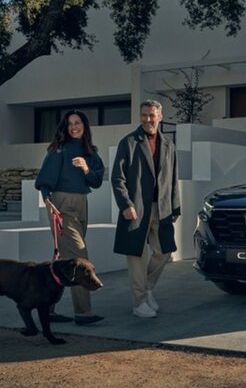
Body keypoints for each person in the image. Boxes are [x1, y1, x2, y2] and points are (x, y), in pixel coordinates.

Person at [34, 109, 105, 325]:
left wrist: (85, 169)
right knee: (79, 255)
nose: (74, 127)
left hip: (82, 203)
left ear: (85, 126)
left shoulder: (91, 152)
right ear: (65, 127)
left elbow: (97, 181)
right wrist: (49, 204)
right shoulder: (58, 150)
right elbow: (44, 182)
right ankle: (83, 313)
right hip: (60, 205)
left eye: (78, 123)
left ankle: (48, 306)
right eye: (70, 123)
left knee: (64, 259)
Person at [111, 99, 180, 318]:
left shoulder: (169, 145)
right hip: (136, 209)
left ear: (160, 116)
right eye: (144, 115)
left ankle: (147, 288)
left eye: (152, 115)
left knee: (165, 251)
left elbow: (173, 178)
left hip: (162, 207)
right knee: (136, 256)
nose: (148, 119)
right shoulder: (129, 142)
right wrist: (126, 205)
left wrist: (175, 207)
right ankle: (139, 302)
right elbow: (117, 178)